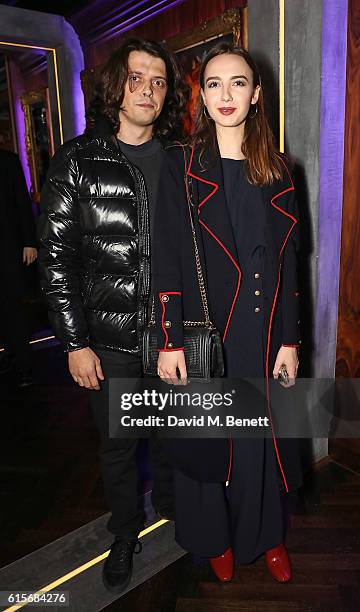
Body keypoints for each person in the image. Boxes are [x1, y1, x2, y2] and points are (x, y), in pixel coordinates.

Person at [38, 38, 189, 594]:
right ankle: (124, 533)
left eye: (159, 80)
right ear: (115, 85)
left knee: (177, 435)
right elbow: (57, 261)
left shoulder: (182, 159)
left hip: (174, 339)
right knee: (121, 445)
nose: (148, 89)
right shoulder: (77, 160)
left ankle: (179, 514)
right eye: (136, 78)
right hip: (112, 339)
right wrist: (75, 343)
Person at [153, 42, 303, 583]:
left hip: (261, 331)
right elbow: (166, 257)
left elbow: (289, 264)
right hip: (205, 329)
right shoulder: (182, 166)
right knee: (208, 440)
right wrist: (169, 341)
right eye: (213, 83)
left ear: (256, 93)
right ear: (201, 94)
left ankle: (266, 537)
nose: (225, 94)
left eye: (237, 82)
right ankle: (211, 537)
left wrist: (290, 339)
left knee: (259, 440)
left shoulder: (281, 170)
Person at [0, 149, 37, 387]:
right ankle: (8, 355)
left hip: (7, 248)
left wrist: (29, 242)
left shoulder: (7, 160)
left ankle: (24, 366)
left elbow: (21, 201)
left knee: (12, 308)